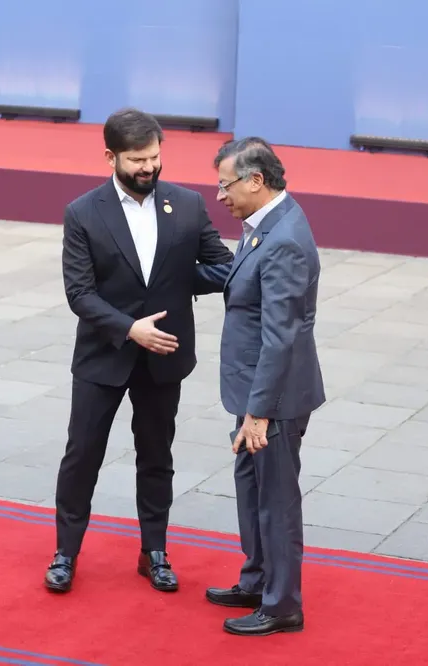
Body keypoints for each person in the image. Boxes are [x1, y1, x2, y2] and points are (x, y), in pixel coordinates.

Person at [46, 108, 235, 594]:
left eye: (154, 157)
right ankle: (65, 552)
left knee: (156, 455)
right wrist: (130, 328)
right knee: (82, 454)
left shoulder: (188, 205)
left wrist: (176, 282)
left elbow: (222, 266)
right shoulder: (83, 212)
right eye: (137, 160)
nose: (149, 167)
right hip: (102, 357)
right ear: (110, 157)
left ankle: (154, 551)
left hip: (164, 355)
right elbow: (80, 294)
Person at [195, 137, 325, 636]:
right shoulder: (264, 226)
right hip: (254, 393)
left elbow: (280, 337)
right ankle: (256, 579)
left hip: (274, 399)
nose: (220, 196)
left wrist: (259, 414)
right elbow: (238, 280)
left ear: (256, 180)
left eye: (225, 185)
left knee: (275, 499)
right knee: (250, 490)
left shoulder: (285, 239)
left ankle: (282, 605)